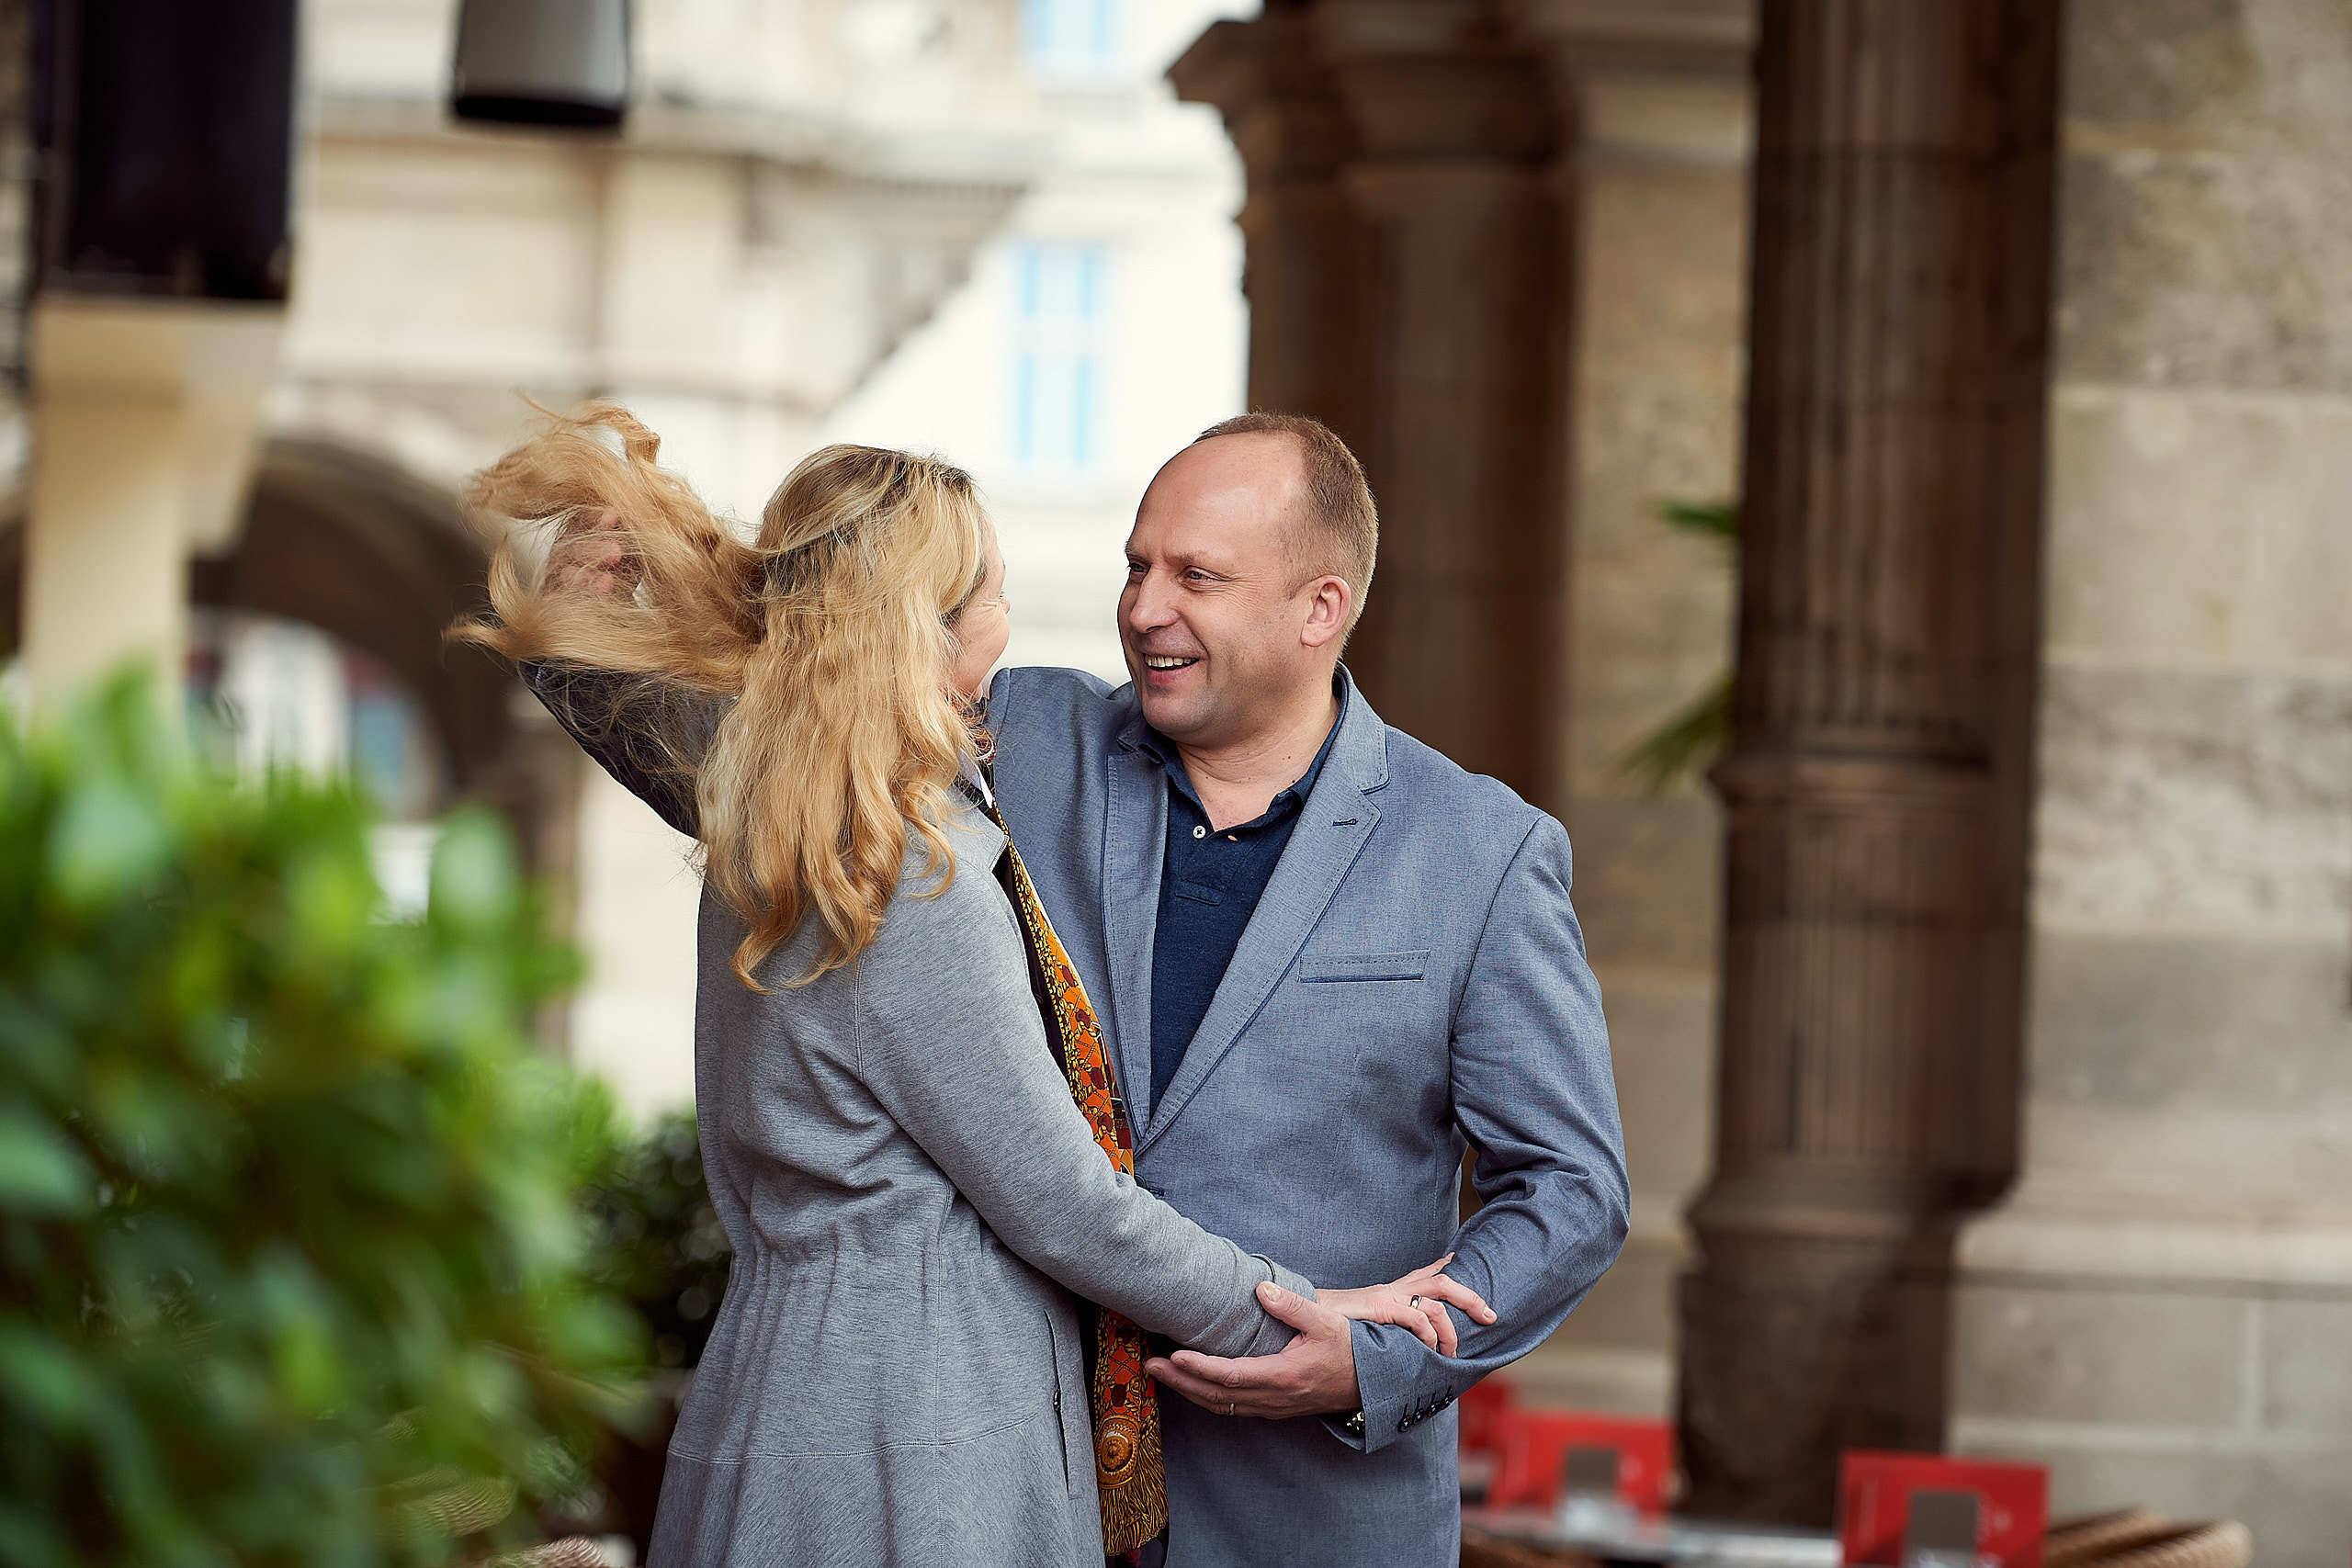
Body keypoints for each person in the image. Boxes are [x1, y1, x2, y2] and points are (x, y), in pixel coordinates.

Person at [522, 410, 1626, 1568]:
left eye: (1196, 576)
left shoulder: (1479, 850)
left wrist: (1380, 1359)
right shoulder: (1013, 739)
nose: (1146, 610)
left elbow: (1570, 1187)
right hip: (1006, 1478)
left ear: (1320, 607)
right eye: (1137, 567)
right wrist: (575, 630)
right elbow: (786, 758)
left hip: (1306, 1508)